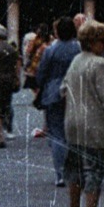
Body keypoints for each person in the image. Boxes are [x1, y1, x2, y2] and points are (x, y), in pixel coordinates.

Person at [61, 19, 104, 207]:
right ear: (94, 42)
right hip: (95, 124)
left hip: (73, 123)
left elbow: (63, 89)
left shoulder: (76, 60)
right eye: (102, 41)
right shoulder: (100, 64)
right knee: (95, 169)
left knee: (74, 168)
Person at [35, 17, 81, 184]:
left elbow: (41, 74)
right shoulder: (79, 48)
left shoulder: (50, 50)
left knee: (57, 134)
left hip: (53, 94)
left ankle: (61, 173)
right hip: (76, 92)